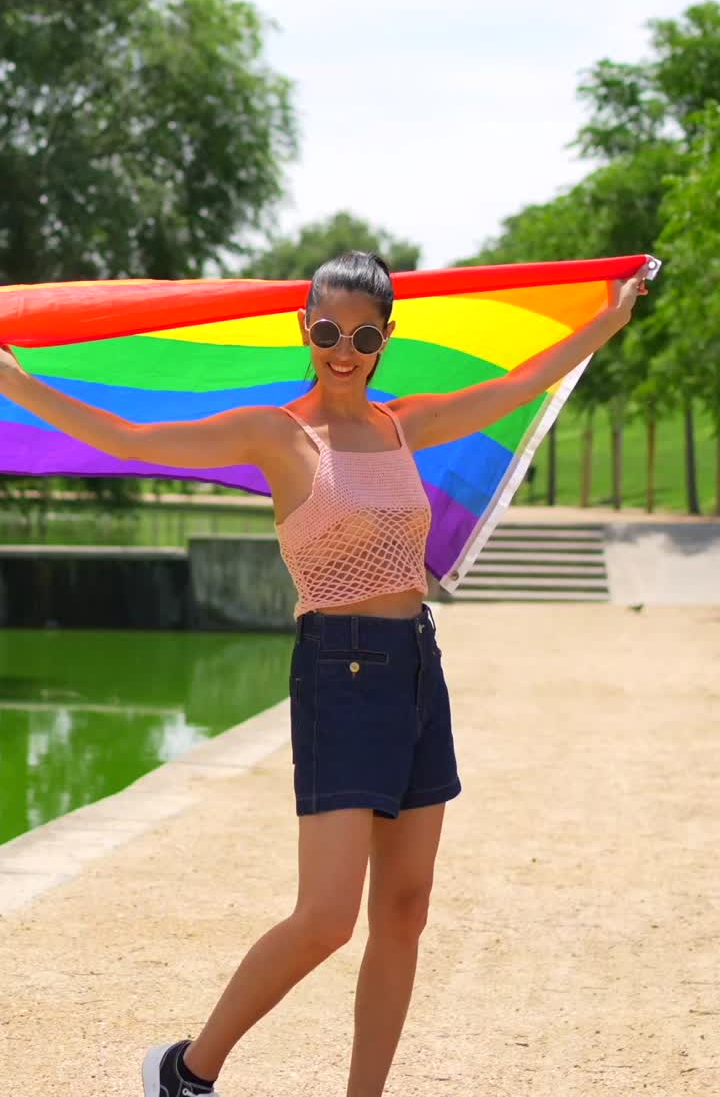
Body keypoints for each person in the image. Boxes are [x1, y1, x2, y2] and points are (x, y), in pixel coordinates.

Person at [0, 250, 648, 1096]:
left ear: (386, 339)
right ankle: (187, 1071)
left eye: (365, 333)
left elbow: (519, 385)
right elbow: (128, 438)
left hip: (417, 665)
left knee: (405, 911)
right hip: (338, 673)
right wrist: (13, 380)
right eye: (329, 330)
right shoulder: (275, 432)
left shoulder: (403, 425)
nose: (345, 349)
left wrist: (609, 316)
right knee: (326, 919)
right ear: (302, 328)